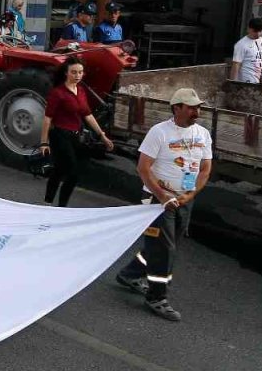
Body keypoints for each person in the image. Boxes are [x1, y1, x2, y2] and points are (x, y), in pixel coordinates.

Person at [115, 88, 213, 322]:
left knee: (164, 246)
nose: (196, 111)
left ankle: (130, 274)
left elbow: (206, 169)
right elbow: (143, 168)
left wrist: (190, 194)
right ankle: (157, 297)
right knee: (165, 249)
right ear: (176, 108)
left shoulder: (203, 134)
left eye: (198, 107)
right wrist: (162, 196)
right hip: (157, 202)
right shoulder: (159, 132)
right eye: (191, 107)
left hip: (184, 199)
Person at [38, 57, 114, 206]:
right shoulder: (58, 93)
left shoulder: (81, 91)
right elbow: (47, 119)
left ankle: (48, 201)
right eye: (74, 72)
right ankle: (61, 207)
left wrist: (102, 136)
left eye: (80, 72)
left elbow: (88, 115)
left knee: (59, 170)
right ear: (66, 73)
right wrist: (43, 142)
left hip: (75, 136)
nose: (77, 75)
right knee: (72, 174)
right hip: (59, 136)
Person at [230, 17, 262, 83]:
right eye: (255, 31)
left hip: (260, 79)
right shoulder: (241, 44)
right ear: (249, 29)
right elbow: (236, 65)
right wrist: (233, 83)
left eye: (260, 31)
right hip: (247, 80)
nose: (258, 34)